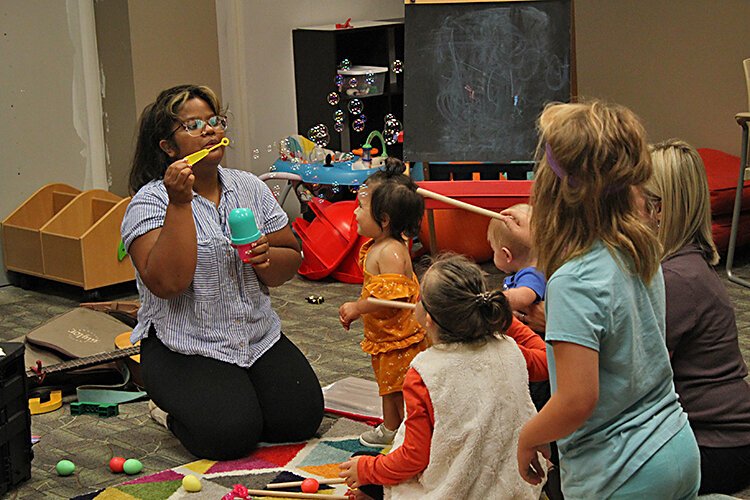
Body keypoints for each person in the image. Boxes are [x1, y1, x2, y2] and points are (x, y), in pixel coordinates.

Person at [120, 84, 323, 460]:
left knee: (301, 419)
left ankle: (236, 392)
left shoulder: (249, 187)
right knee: (228, 436)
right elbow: (168, 284)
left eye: (215, 121)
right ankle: (167, 411)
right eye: (193, 124)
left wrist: (266, 257)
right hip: (184, 344)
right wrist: (180, 205)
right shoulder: (149, 201)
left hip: (255, 335)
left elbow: (290, 259)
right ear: (167, 147)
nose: (210, 130)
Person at [516, 101, 700, 499]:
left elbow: (577, 400)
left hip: (622, 473)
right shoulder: (640, 249)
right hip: (676, 446)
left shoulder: (572, 281)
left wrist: (527, 437)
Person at [339, 254, 544, 500]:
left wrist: (366, 469)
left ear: (428, 319)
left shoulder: (425, 372)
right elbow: (546, 360)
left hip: (455, 489)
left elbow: (413, 458)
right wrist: (505, 322)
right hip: (514, 484)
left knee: (364, 465)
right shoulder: (510, 348)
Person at [643, 139, 750, 495]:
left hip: (720, 445)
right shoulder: (684, 266)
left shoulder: (677, 280)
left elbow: (629, 366)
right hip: (719, 437)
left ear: (657, 209)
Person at [339, 158, 430, 448]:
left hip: (400, 337)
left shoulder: (390, 251)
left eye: (361, 207)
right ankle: (397, 426)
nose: (354, 212)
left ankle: (396, 428)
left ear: (385, 219)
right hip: (386, 335)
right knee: (388, 384)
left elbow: (389, 299)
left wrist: (357, 307)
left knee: (397, 387)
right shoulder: (380, 245)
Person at [487, 203, 546, 311]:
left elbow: (524, 297)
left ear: (507, 255)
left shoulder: (532, 274)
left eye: (494, 250)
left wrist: (493, 300)